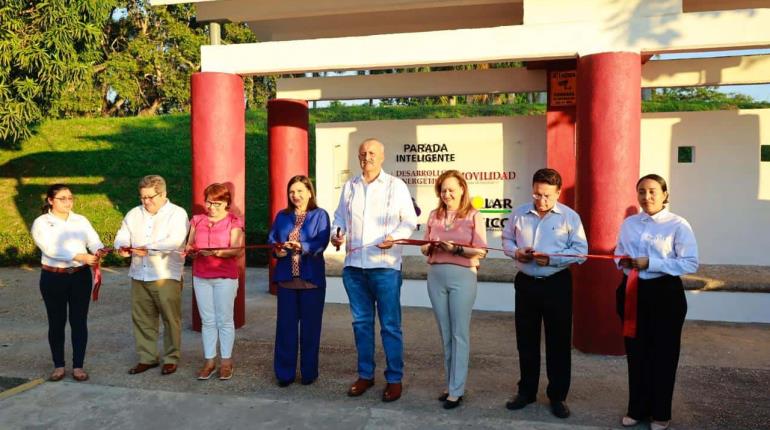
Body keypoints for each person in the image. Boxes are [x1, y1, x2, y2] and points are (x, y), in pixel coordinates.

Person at [331, 138, 417, 402]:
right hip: (355, 269)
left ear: (382, 156)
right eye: (362, 153)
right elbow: (339, 218)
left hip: (385, 267)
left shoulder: (396, 185)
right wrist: (337, 234)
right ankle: (365, 375)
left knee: (390, 325)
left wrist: (394, 236)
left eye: (371, 153)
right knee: (361, 325)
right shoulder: (350, 186)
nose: (366, 157)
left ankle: (394, 379)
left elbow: (410, 221)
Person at [501, 168, 587, 419]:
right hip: (526, 283)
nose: (542, 201)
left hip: (556, 283)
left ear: (558, 192)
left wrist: (553, 259)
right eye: (537, 194)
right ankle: (526, 392)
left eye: (548, 196)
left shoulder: (569, 218)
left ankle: (557, 396)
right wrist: (517, 252)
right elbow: (506, 240)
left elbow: (581, 252)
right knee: (526, 340)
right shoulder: (519, 213)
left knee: (558, 342)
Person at [615, 174, 698, 430]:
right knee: (636, 353)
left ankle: (661, 413)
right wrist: (623, 261)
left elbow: (690, 262)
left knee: (663, 355)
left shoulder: (677, 224)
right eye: (641, 191)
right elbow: (617, 253)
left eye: (652, 191)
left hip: (665, 294)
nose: (646, 197)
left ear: (665, 194)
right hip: (632, 290)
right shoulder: (629, 223)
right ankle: (637, 408)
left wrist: (652, 263)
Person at [420, 170, 487, 409]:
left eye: (451, 189)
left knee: (459, 333)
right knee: (445, 332)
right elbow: (424, 246)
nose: (447, 194)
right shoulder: (433, 215)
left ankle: (457, 389)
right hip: (436, 275)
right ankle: (449, 384)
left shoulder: (473, 215)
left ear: (462, 189)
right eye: (443, 190)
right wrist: (428, 247)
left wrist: (456, 249)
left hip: (462, 275)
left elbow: (481, 250)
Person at [114, 175, 189, 376]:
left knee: (170, 319)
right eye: (143, 197)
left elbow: (174, 241)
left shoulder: (177, 213)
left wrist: (146, 248)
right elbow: (122, 235)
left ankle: (171, 358)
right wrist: (121, 247)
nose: (146, 202)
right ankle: (147, 358)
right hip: (139, 274)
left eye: (150, 197)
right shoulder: (133, 214)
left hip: (165, 274)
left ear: (163, 194)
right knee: (142, 318)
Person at [31, 184, 106, 382]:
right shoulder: (41, 223)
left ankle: (78, 366)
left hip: (80, 277)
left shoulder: (80, 220)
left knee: (79, 322)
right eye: (62, 198)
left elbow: (94, 240)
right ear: (50, 200)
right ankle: (58, 365)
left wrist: (99, 250)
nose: (67, 202)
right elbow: (50, 249)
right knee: (56, 322)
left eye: (70, 198)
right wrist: (80, 256)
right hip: (53, 278)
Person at [268, 175, 331, 387]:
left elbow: (321, 242)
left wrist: (301, 246)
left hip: (311, 281)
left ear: (310, 192)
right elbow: (272, 239)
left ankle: (308, 372)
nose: (296, 195)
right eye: (292, 192)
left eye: (300, 191)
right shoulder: (282, 216)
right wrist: (278, 250)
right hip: (287, 281)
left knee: (310, 329)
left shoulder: (320, 215)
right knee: (285, 328)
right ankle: (284, 374)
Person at [185, 183, 244, 381]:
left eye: (217, 203)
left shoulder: (234, 221)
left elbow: (237, 249)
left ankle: (226, 361)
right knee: (207, 320)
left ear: (226, 202)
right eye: (209, 202)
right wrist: (192, 251)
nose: (212, 207)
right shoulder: (197, 220)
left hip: (225, 276)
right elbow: (189, 246)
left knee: (225, 319)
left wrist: (218, 252)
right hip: (201, 275)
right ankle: (209, 360)